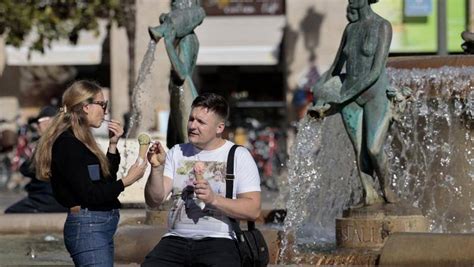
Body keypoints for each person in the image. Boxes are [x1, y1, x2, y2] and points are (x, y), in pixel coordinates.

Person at [34, 80, 148, 266]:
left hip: (97, 224)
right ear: (86, 107)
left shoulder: (81, 141)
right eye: (102, 104)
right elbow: (90, 194)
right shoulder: (68, 144)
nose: (106, 111)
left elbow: (103, 182)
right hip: (88, 226)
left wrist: (112, 145)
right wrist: (126, 181)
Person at [143, 93, 261, 266]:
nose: (192, 125)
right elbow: (154, 200)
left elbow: (253, 210)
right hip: (176, 238)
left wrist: (214, 199)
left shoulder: (238, 155)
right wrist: (156, 168)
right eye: (191, 119)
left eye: (201, 122)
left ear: (219, 128)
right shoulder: (177, 152)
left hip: (219, 240)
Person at [309, 0, 398, 205]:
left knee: (374, 149)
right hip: (349, 97)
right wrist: (318, 89)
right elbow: (336, 67)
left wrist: (344, 96)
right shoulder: (351, 29)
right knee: (359, 151)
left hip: (375, 94)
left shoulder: (382, 26)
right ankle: (369, 194)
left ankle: (385, 186)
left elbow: (376, 71)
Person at [148, 0, 205, 148]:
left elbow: (182, 73)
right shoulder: (182, 39)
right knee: (174, 145)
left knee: (186, 146)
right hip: (177, 93)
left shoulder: (188, 39)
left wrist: (168, 44)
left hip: (183, 94)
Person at [5, 106, 68, 213]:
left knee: (9, 215)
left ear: (48, 122)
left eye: (39, 122)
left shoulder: (50, 143)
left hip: (45, 200)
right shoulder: (66, 140)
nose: (37, 126)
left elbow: (27, 168)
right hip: (59, 200)